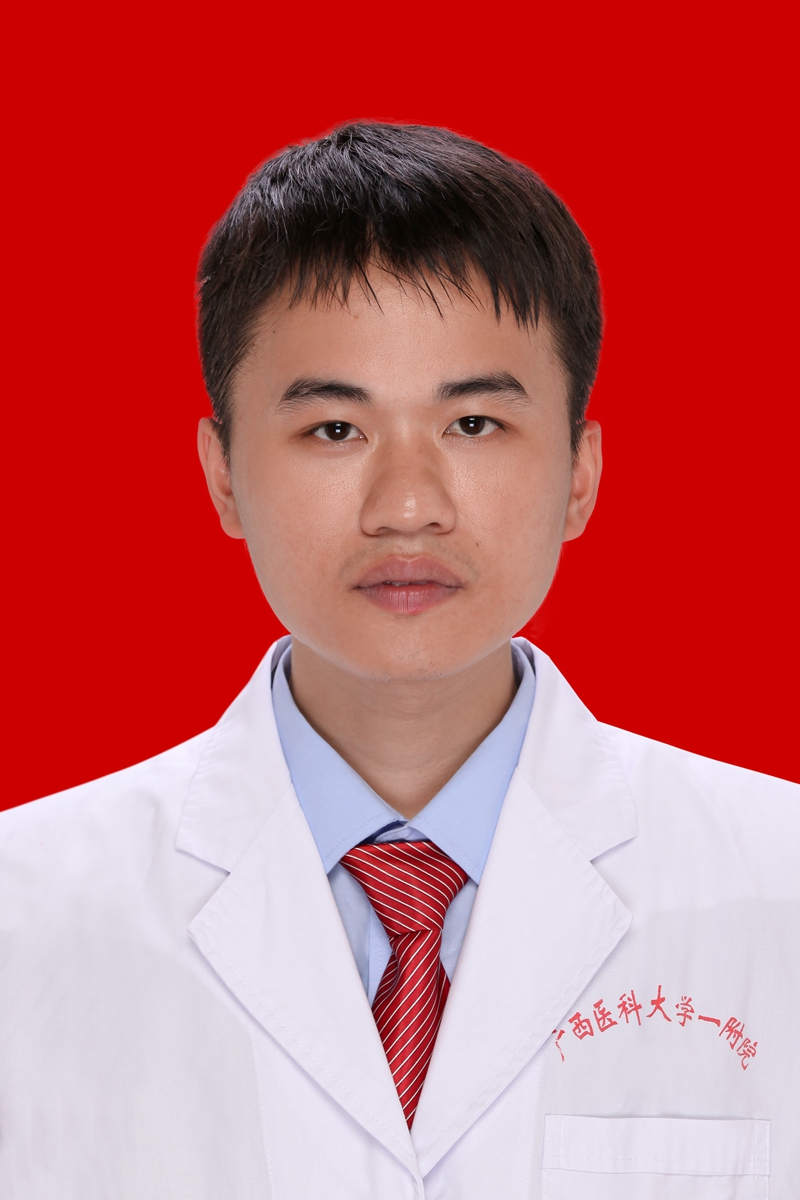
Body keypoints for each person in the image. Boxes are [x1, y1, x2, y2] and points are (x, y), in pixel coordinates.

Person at [1, 121, 798, 1199]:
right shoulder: (24, 912)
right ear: (223, 475)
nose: (408, 505)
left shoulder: (778, 884)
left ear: (579, 473)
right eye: (335, 430)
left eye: (473, 423)